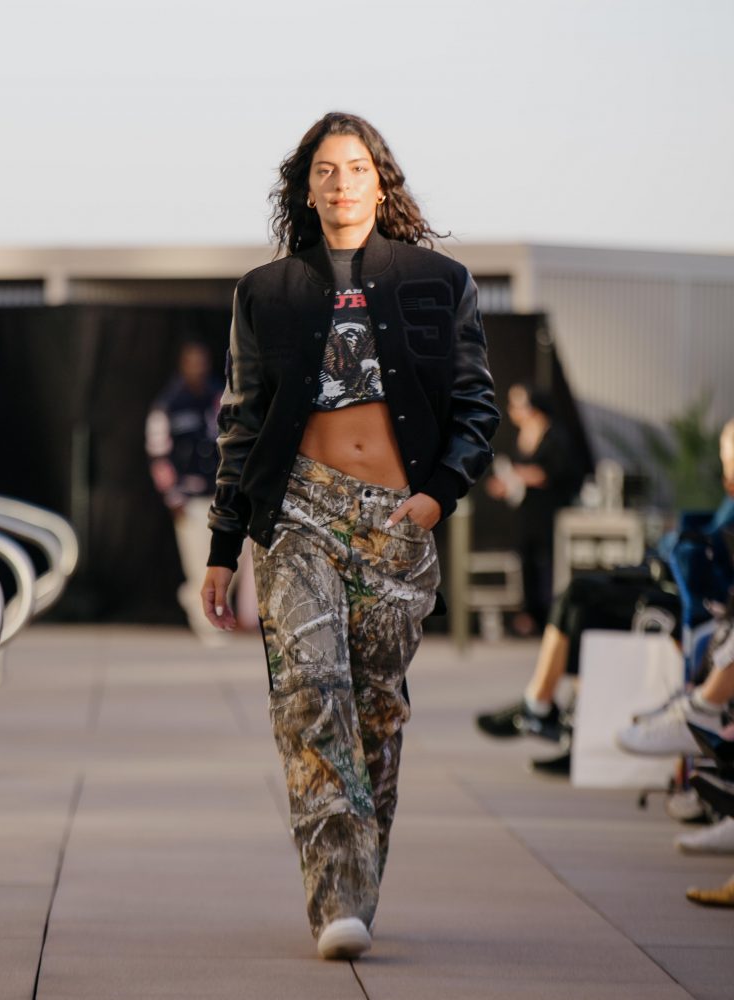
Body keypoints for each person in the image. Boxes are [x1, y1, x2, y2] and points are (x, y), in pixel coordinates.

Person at [201, 112, 499, 959]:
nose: (341, 184)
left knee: (375, 714)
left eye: (356, 168)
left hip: (397, 519)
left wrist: (435, 498)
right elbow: (242, 422)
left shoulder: (439, 282)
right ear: (307, 188)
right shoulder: (266, 291)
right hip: (297, 508)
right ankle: (336, 899)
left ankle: (358, 885)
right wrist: (223, 548)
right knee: (310, 692)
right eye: (326, 170)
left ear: (380, 181)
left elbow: (477, 406)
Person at [476, 419, 734, 761]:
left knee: (583, 604)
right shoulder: (728, 501)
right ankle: (557, 719)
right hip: (684, 594)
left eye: (727, 459)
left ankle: (550, 714)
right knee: (577, 599)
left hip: (693, 605)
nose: (725, 473)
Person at [146, 342, 225, 639]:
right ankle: (207, 624)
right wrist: (173, 496)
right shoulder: (169, 404)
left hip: (220, 493)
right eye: (192, 362)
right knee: (198, 562)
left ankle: (195, 599)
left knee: (228, 558)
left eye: (202, 362)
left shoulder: (218, 396)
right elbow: (158, 455)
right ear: (182, 365)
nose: (198, 368)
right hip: (189, 497)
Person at [485, 384, 575, 634]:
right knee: (526, 558)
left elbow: (555, 471)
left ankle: (551, 614)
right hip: (525, 509)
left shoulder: (555, 434)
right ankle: (530, 614)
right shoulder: (520, 434)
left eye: (518, 404)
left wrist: (523, 474)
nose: (513, 410)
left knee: (549, 561)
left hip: (550, 509)